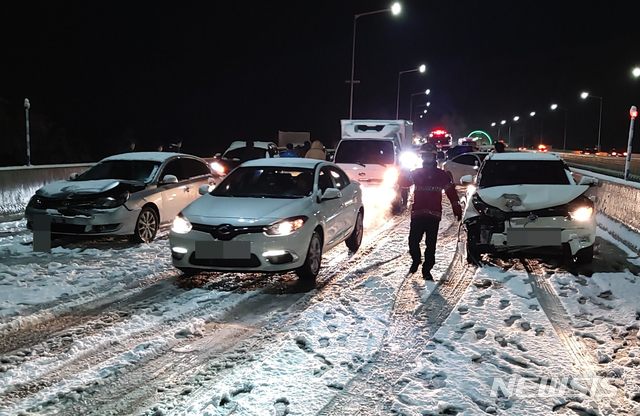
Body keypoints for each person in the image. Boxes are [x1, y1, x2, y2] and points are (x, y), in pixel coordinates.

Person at [399, 143, 462, 280]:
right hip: (418, 213)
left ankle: (427, 270)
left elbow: (451, 192)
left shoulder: (442, 175)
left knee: (430, 244)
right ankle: (416, 260)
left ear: (434, 157)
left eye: (429, 156)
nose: (427, 159)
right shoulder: (416, 173)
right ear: (421, 157)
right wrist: (403, 171)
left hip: (434, 215)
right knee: (413, 241)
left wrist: (456, 208)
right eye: (424, 156)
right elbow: (403, 183)